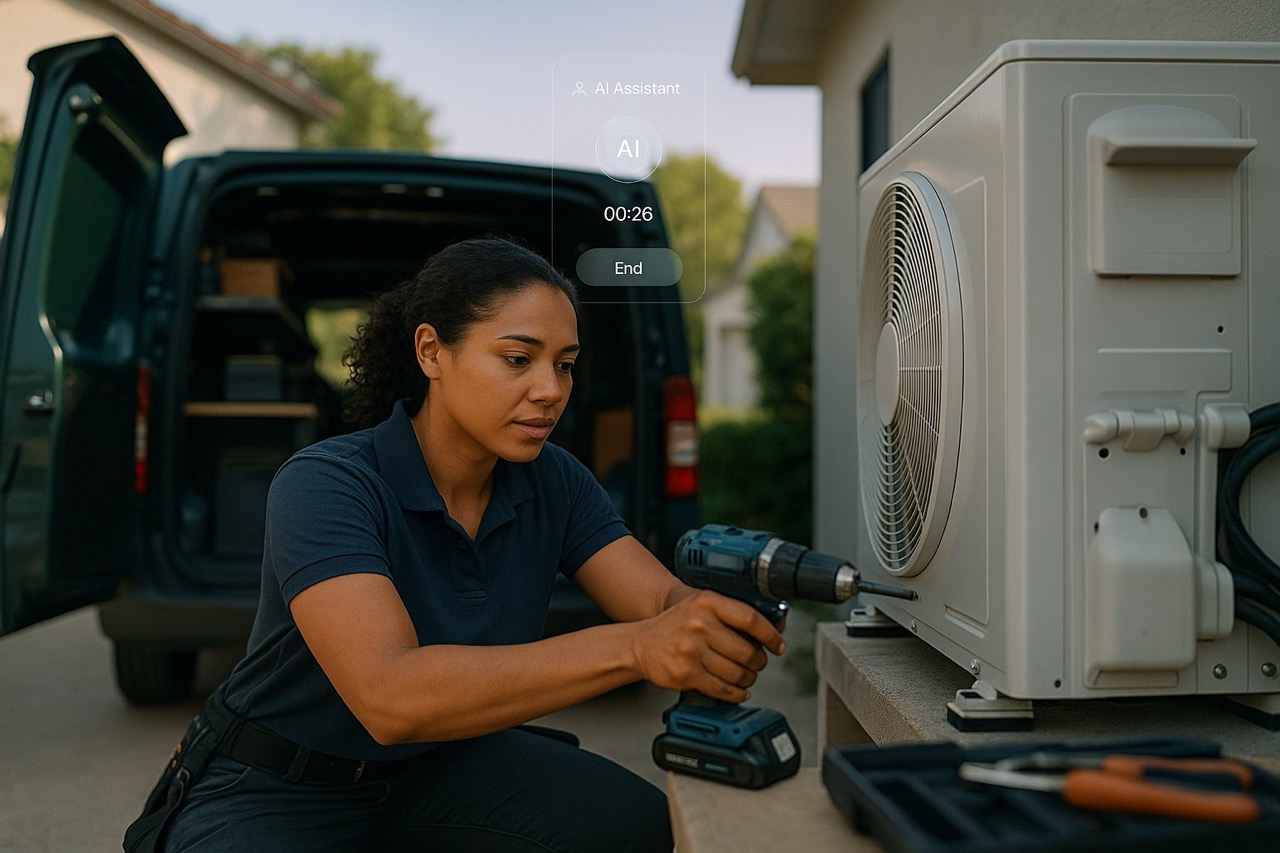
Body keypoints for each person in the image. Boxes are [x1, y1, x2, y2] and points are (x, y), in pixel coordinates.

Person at [126, 237, 785, 853]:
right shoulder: (326, 483)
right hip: (276, 785)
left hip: (444, 765)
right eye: (518, 358)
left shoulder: (554, 480)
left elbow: (658, 598)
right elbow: (389, 695)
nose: (550, 390)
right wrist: (641, 647)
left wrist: (706, 618)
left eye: (565, 365)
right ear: (431, 351)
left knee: (648, 830)